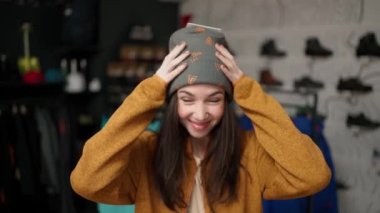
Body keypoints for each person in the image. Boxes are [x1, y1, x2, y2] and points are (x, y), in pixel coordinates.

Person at [70, 25, 331, 213]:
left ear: (228, 101)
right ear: (171, 102)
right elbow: (86, 181)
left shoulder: (250, 153)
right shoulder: (147, 152)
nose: (200, 113)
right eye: (187, 99)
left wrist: (247, 91)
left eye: (214, 99)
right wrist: (151, 90)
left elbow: (313, 176)